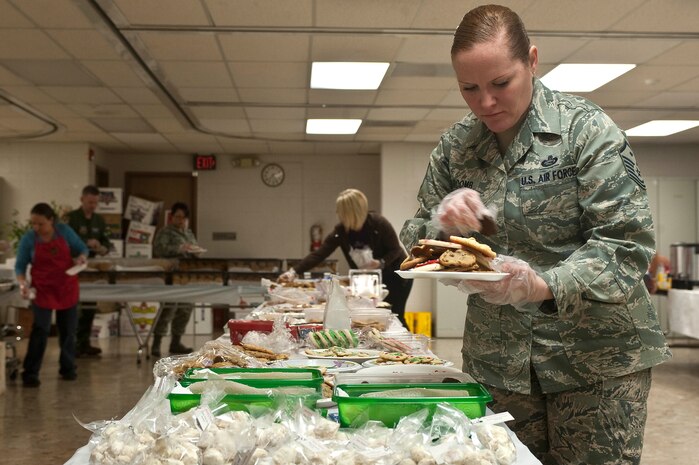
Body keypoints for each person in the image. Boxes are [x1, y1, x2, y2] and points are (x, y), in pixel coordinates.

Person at [399, 5, 671, 464]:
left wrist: (545, 284)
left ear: (532, 61)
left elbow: (626, 243)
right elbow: (414, 244)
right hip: (498, 359)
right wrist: (439, 224)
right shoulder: (456, 147)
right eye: (469, 88)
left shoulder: (585, 131)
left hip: (595, 361)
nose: (485, 102)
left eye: (500, 83)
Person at [279, 188, 412, 326]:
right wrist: (293, 272)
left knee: (395, 316)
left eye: (340, 211)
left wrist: (380, 263)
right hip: (370, 279)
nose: (337, 214)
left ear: (350, 211)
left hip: (397, 276)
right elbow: (320, 254)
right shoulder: (341, 231)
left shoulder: (378, 223)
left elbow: (396, 250)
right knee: (371, 318)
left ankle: (408, 345)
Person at [15, 203, 89, 387]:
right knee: (41, 330)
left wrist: (81, 258)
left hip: (66, 287)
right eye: (33, 224)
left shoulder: (64, 231)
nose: (36, 228)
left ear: (51, 221)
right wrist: (23, 284)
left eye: (40, 224)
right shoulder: (29, 239)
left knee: (68, 331)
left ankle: (68, 368)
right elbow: (20, 266)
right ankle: (30, 373)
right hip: (42, 290)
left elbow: (82, 248)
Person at [66, 185, 112, 357]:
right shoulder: (71, 219)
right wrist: (86, 243)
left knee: (90, 306)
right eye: (90, 202)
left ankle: (84, 343)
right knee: (75, 307)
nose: (93, 205)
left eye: (95, 202)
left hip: (93, 268)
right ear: (82, 199)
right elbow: (66, 242)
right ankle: (73, 345)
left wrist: (101, 247)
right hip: (74, 267)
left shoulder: (99, 221)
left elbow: (107, 243)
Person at [151, 202, 200, 356]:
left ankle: (176, 342)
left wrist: (195, 251)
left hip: (186, 276)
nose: (180, 220)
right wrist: (179, 249)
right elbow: (159, 250)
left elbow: (194, 247)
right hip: (170, 276)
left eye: (183, 218)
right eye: (178, 217)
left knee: (185, 309)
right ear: (172, 216)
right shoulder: (165, 232)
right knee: (168, 308)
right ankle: (156, 342)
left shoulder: (188, 233)